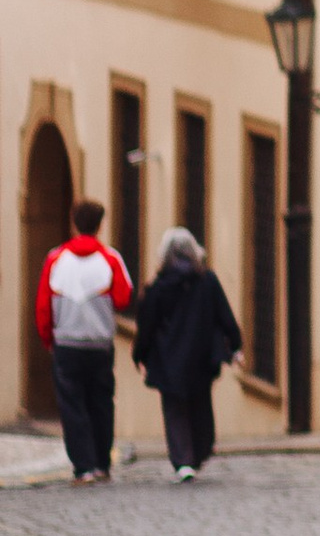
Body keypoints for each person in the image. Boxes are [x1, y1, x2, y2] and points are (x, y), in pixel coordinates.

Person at [131, 226, 242, 480]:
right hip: (201, 355)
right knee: (200, 403)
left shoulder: (158, 287)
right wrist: (235, 344)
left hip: (168, 357)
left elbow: (147, 325)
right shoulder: (208, 281)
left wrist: (140, 354)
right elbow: (225, 316)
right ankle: (199, 452)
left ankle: (183, 461)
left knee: (174, 409)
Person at [37, 196, 131, 482]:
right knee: (101, 402)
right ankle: (103, 463)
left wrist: (48, 339)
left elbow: (43, 306)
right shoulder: (110, 258)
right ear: (100, 225)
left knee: (72, 405)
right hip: (100, 344)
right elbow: (124, 297)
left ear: (74, 223)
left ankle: (83, 467)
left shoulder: (56, 259)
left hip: (67, 343)